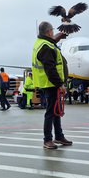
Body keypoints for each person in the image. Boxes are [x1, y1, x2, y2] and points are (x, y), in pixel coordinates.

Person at [32, 21, 72, 149]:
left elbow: (51, 41)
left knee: (56, 110)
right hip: (50, 83)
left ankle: (59, 136)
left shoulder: (44, 43)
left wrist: (60, 35)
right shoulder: (46, 47)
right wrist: (60, 84)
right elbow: (50, 69)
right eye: (52, 31)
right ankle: (47, 139)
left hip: (50, 83)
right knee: (51, 112)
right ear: (49, 32)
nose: (53, 33)